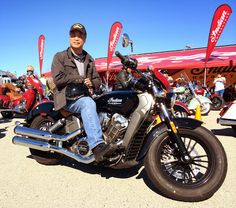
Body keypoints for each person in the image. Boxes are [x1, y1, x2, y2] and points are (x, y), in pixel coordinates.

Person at [51, 23, 115, 162]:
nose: (76, 38)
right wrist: (80, 79)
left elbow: (97, 79)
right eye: (73, 35)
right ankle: (97, 147)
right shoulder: (60, 56)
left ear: (84, 39)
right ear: (69, 38)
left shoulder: (89, 58)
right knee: (87, 103)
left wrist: (92, 83)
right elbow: (58, 79)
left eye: (80, 35)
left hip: (86, 95)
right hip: (66, 98)